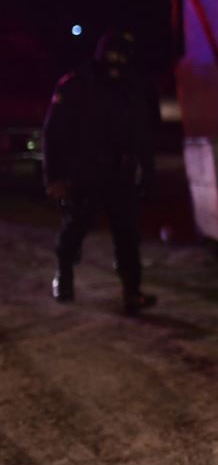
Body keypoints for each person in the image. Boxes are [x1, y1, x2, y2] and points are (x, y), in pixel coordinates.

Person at [43, 29, 160, 315]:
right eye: (112, 55)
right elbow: (52, 133)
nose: (116, 62)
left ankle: (132, 292)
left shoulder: (134, 86)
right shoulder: (75, 85)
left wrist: (147, 174)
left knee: (128, 237)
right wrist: (54, 177)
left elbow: (145, 134)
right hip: (83, 172)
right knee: (74, 229)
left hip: (120, 174)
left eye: (122, 56)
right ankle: (64, 277)